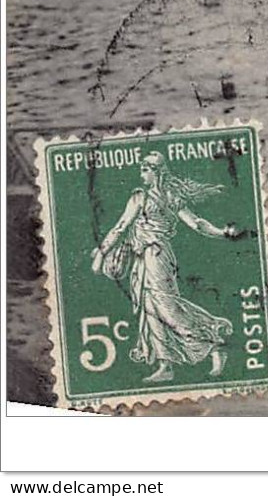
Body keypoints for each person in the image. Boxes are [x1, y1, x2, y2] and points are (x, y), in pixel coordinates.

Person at [90, 152, 240, 384]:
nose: (142, 172)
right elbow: (121, 227)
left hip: (158, 256)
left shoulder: (168, 197)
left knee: (167, 307)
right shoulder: (141, 197)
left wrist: (220, 233)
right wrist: (102, 253)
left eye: (146, 168)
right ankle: (165, 365)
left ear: (157, 171)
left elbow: (196, 223)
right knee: (150, 310)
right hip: (142, 259)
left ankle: (213, 345)